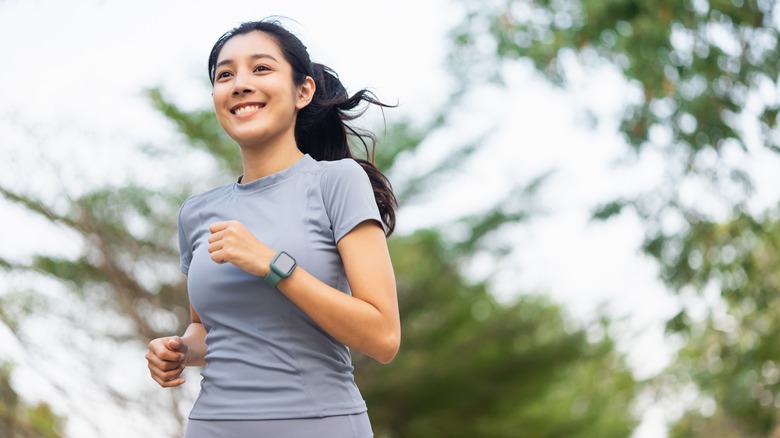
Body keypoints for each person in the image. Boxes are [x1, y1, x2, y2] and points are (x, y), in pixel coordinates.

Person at [145, 18, 401, 438]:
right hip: (213, 426)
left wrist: (272, 265)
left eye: (260, 69)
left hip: (319, 425)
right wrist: (179, 350)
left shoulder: (337, 182)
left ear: (303, 91)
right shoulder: (197, 212)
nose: (240, 84)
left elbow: (384, 336)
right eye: (225, 75)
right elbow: (209, 330)